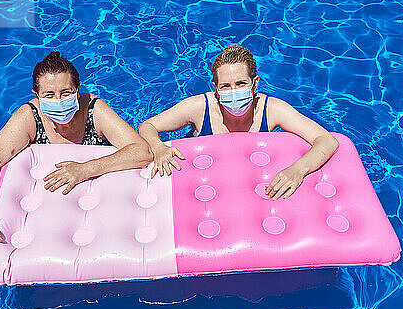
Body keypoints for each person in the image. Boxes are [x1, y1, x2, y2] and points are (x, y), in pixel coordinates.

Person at [0, 51, 152, 258]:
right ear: (36, 95)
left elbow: (141, 151)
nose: (59, 101)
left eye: (66, 93)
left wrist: (86, 168)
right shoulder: (30, 117)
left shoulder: (93, 110)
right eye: (49, 95)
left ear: (78, 89)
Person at [139, 44, 339, 200]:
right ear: (215, 88)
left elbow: (326, 140)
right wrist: (158, 147)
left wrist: (297, 170)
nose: (234, 92)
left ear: (255, 83)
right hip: (202, 179)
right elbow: (147, 126)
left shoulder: (271, 109)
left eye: (241, 84)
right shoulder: (199, 108)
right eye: (226, 86)